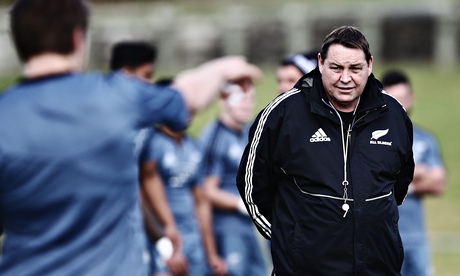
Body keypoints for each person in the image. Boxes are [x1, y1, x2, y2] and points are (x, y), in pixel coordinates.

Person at [0, 1, 261, 275]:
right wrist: (222, 68)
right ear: (78, 37)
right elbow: (187, 98)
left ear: (18, 41)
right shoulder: (116, 97)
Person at [236, 25, 415, 275]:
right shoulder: (282, 114)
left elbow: (398, 186)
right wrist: (291, 242)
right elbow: (253, 188)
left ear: (370, 65)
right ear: (320, 63)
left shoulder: (394, 114)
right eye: (336, 68)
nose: (345, 78)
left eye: (355, 68)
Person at [381, 69, 447, 276]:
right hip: (384, 239)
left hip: (416, 238)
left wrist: (400, 181)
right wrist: (418, 172)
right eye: (394, 99)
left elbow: (438, 182)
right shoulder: (376, 138)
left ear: (411, 98)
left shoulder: (425, 139)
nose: (401, 105)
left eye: (404, 98)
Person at [200, 79, 268, 276]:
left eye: (250, 98)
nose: (246, 104)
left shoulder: (248, 133)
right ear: (223, 101)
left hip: (250, 227)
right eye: (239, 98)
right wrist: (241, 204)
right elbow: (207, 190)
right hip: (226, 227)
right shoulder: (215, 137)